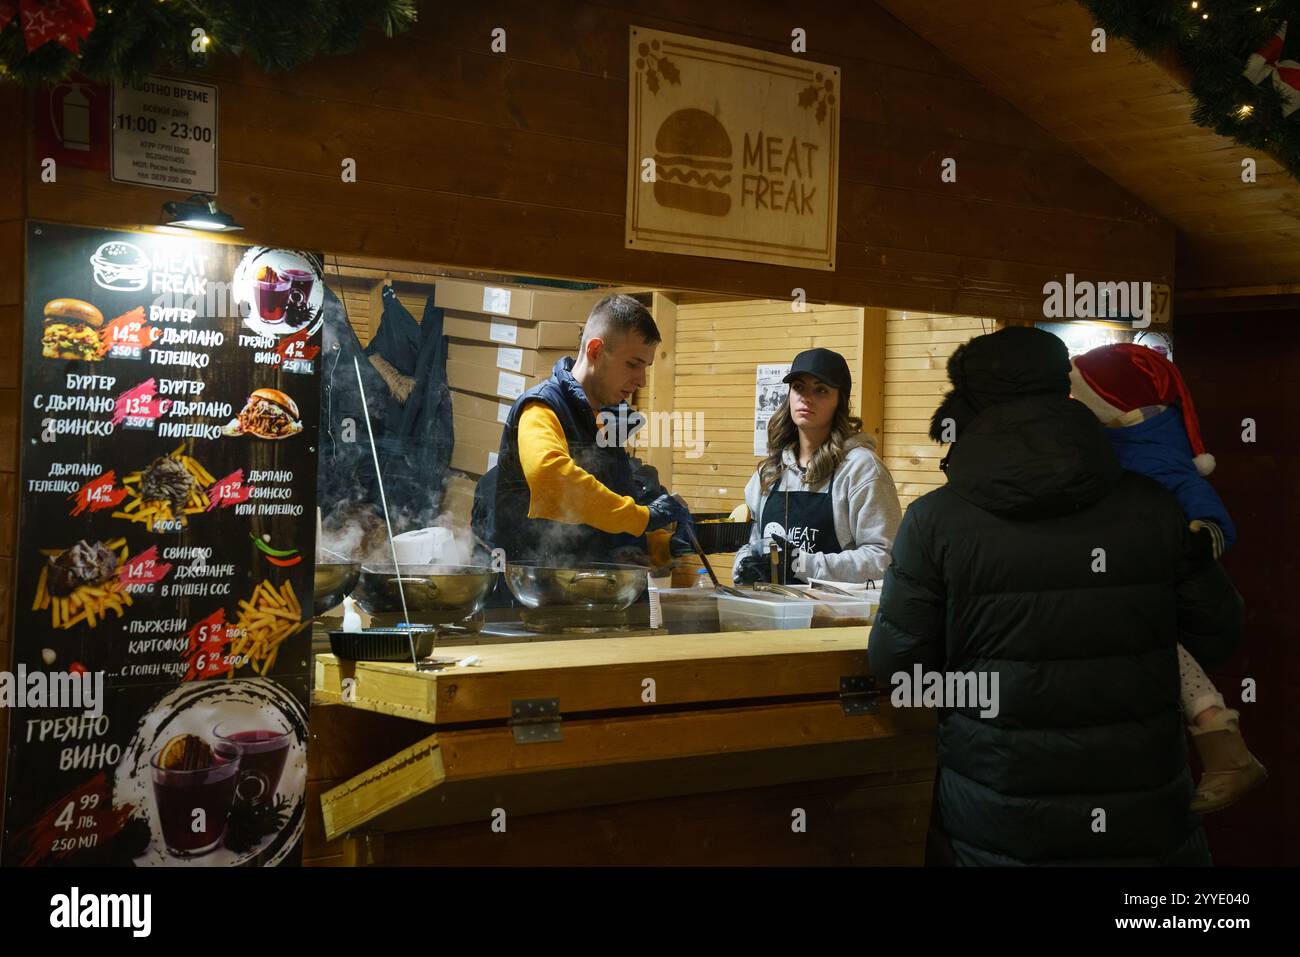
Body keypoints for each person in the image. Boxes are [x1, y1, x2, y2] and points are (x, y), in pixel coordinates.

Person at [869, 326, 1244, 866]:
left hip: (998, 818)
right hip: (1144, 816)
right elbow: (1219, 630)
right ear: (1064, 390)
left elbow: (899, 662)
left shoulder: (935, 520)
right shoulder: (1156, 506)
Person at [1069, 343, 1266, 812]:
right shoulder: (1115, 450)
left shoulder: (1158, 459)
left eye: (1080, 395)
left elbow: (1212, 519)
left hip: (1153, 588)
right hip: (1131, 584)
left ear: (1111, 404)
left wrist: (1195, 542)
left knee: (1159, 645)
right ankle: (1225, 750)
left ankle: (1225, 746)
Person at [483, 294, 692, 566]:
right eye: (632, 364)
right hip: (533, 594)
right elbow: (552, 478)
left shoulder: (607, 420)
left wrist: (663, 545)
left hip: (591, 593)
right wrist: (643, 517)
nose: (641, 380)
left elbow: (604, 516)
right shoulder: (541, 407)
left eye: (646, 367)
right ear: (595, 351)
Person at [732, 348, 900, 585]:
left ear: (839, 401)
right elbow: (749, 546)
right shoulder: (768, 472)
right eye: (798, 387)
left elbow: (883, 559)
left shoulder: (861, 469)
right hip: (770, 616)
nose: (806, 397)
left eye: (820, 390)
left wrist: (798, 564)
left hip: (836, 618)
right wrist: (743, 567)